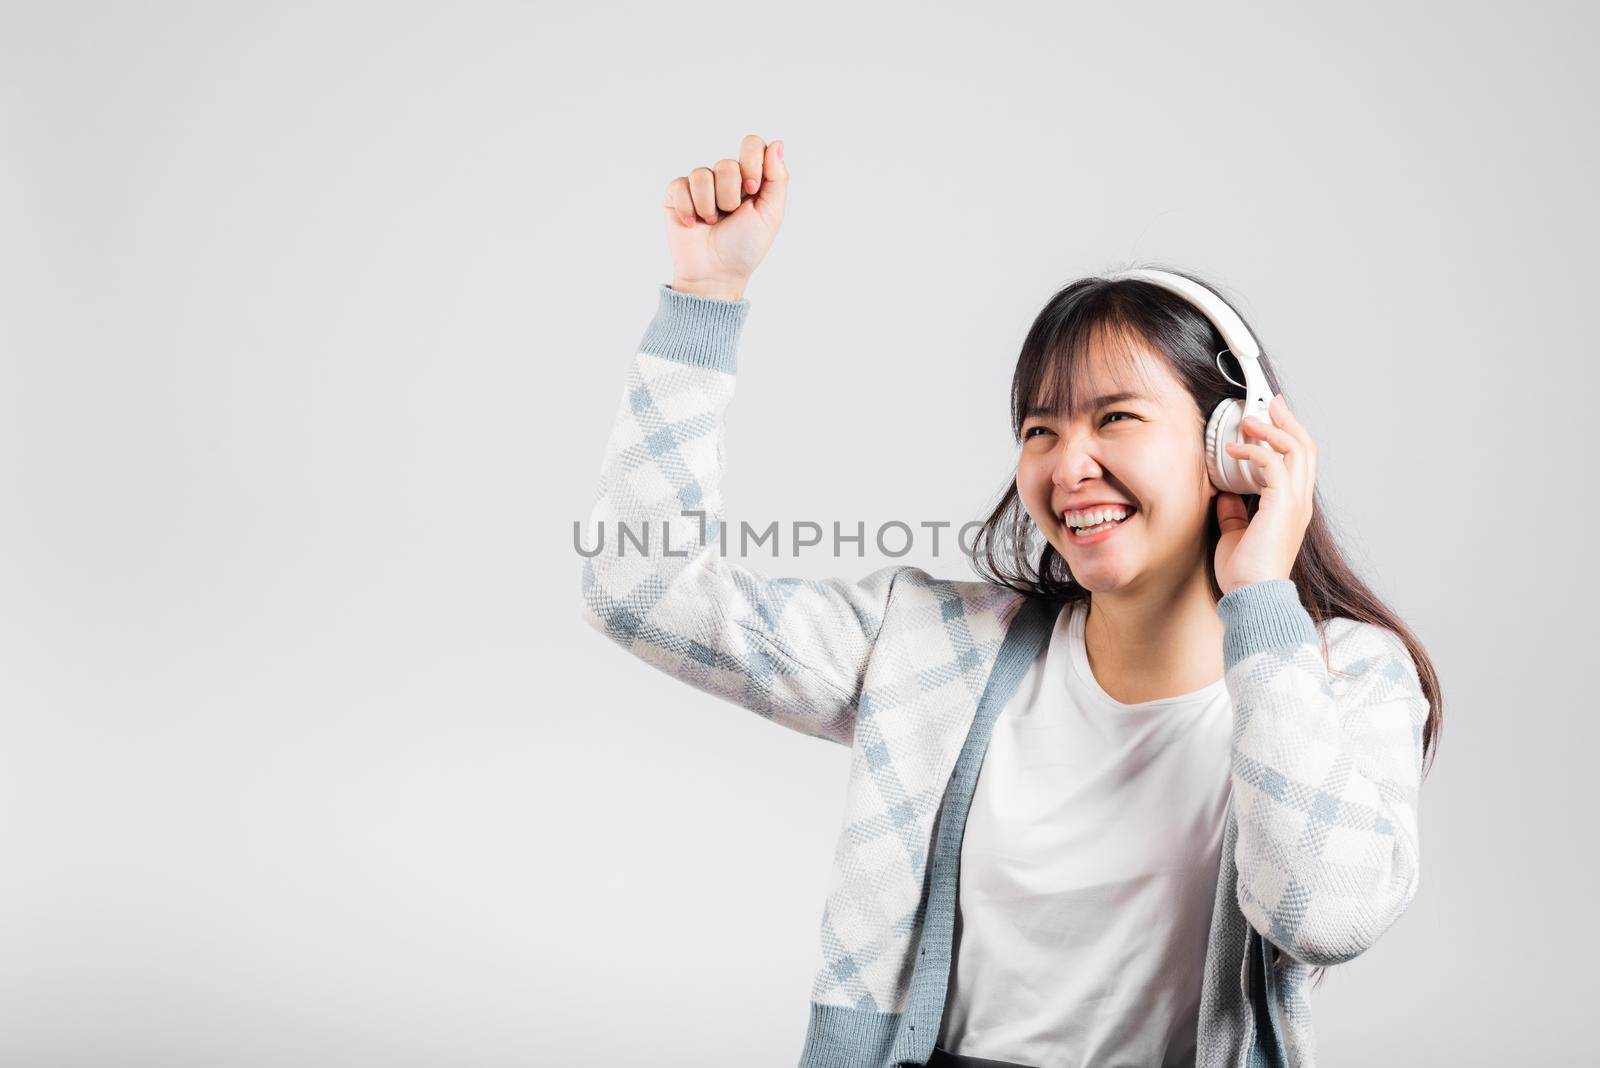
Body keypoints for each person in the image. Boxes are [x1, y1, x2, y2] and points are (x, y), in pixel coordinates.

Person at [577, 133, 1443, 1068]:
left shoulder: (1340, 674)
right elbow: (640, 588)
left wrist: (1264, 598)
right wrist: (706, 297)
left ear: (1233, 441)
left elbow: (1323, 914)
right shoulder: (931, 648)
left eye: (1115, 417)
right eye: (1040, 427)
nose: (1070, 465)